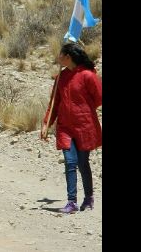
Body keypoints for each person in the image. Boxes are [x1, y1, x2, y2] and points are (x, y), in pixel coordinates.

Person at [41, 43, 102, 214]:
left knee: (83, 163)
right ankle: (72, 201)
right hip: (65, 127)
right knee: (70, 162)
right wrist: (47, 123)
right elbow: (54, 103)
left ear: (68, 57)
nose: (58, 58)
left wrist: (83, 109)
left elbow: (99, 98)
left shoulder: (88, 76)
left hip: (84, 126)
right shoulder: (61, 77)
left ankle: (89, 197)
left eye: (61, 55)